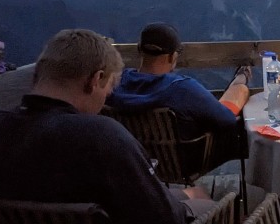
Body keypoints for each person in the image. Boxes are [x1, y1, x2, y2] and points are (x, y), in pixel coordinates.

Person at [0, 29, 214, 224]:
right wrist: (184, 202)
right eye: (108, 87)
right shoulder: (100, 137)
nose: (105, 99)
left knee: (186, 195)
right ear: (96, 80)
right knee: (204, 202)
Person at [105, 22, 251, 170]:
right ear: (172, 56)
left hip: (136, 162)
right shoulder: (181, 88)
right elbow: (226, 119)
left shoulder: (113, 85)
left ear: (139, 49)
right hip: (184, 164)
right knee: (238, 114)